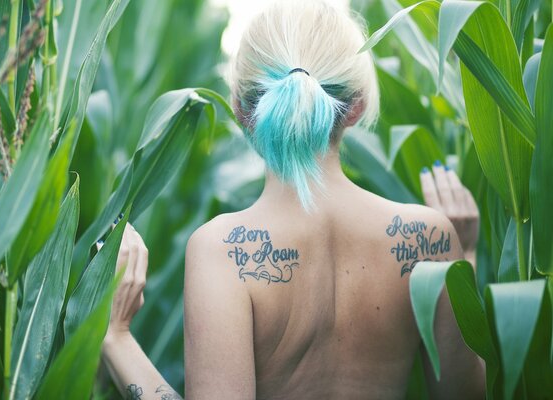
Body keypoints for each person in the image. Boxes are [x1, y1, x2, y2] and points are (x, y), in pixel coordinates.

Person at [100, 1, 485, 399]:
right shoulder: (430, 239)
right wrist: (466, 255)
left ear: (242, 110)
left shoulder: (222, 250)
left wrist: (116, 336)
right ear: (356, 108)